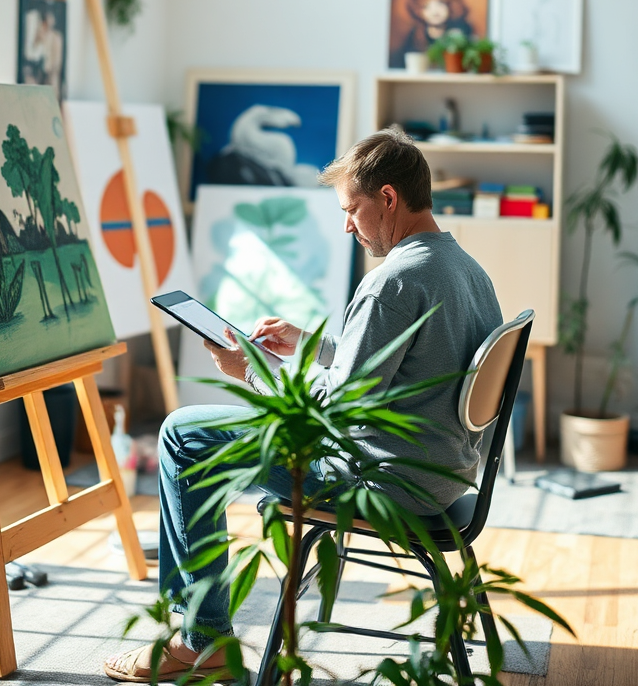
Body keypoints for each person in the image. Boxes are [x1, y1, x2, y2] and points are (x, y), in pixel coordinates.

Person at [104, 128, 502, 683]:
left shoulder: (392, 282)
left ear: (388, 198)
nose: (347, 226)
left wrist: (252, 372)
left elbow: (335, 417)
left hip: (379, 480)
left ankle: (200, 640)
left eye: (351, 210)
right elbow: (413, 363)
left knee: (183, 435)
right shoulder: (466, 269)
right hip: (441, 473)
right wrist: (315, 346)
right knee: (192, 434)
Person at [391, 0, 474, 67]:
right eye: (427, 7)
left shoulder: (460, 31)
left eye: (440, 4)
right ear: (418, 11)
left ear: (450, 6)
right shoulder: (415, 37)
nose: (435, 11)